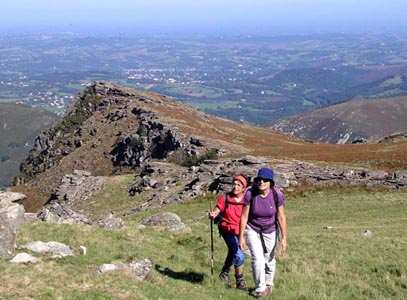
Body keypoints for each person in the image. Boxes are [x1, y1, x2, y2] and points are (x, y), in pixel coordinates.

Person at [238, 167, 287, 298]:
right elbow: (244, 216)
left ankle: (269, 284)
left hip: (271, 230)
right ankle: (260, 288)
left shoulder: (277, 195)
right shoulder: (250, 194)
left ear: (270, 182)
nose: (262, 182)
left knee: (269, 259)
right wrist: (241, 237)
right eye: (259, 179)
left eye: (265, 180)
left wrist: (284, 238)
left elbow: (281, 217)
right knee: (258, 259)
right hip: (252, 229)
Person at [208, 174, 249, 291]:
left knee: (233, 252)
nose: (235, 187)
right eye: (234, 184)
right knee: (239, 254)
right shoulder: (225, 198)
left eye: (239, 185)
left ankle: (224, 273)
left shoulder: (247, 200)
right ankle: (240, 280)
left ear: (243, 188)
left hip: (241, 231)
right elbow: (217, 210)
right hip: (227, 229)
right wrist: (213, 214)